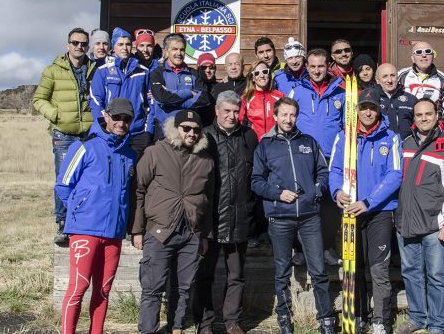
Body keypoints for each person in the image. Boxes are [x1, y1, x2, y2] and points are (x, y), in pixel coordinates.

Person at [251, 97, 335, 334]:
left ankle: (326, 319)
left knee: (318, 271)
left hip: (309, 216)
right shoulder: (265, 146)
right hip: (280, 217)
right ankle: (285, 318)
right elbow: (256, 182)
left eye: (292, 115)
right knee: (282, 272)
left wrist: (315, 192)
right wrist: (278, 194)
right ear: (275, 116)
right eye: (284, 115)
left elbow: (323, 171)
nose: (288, 119)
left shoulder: (308, 142)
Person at [55, 98, 135, 334]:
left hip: (114, 233)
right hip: (85, 231)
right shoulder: (83, 147)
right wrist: (80, 210)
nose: (121, 123)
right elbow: (63, 186)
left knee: (103, 291)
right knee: (78, 287)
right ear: (106, 117)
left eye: (127, 119)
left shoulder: (129, 155)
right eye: (117, 117)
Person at [132, 109, 216, 334]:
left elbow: (209, 200)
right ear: (175, 129)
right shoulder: (155, 152)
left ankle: (176, 328)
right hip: (159, 231)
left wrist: (206, 235)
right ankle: (148, 330)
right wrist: (137, 230)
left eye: (196, 130)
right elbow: (138, 190)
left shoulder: (206, 160)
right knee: (153, 287)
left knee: (184, 287)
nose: (191, 133)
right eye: (186, 128)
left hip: (191, 232)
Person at [328, 87, 402, 334]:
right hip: (350, 211)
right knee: (353, 266)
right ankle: (357, 315)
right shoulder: (344, 137)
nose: (368, 112)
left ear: (379, 109)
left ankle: (381, 319)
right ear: (356, 110)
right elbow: (335, 170)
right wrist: (337, 191)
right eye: (363, 108)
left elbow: (395, 175)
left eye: (372, 108)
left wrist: (369, 201)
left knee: (379, 267)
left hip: (378, 211)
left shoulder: (390, 138)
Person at [395, 99, 444, 334]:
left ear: (437, 115)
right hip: (406, 222)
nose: (424, 118)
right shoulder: (405, 143)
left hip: (435, 225)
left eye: (428, 113)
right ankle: (418, 317)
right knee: (411, 273)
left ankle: (438, 324)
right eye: (419, 114)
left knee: (436, 276)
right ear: (414, 118)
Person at [195, 91, 259, 334]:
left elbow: (255, 174)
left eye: (236, 111)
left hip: (240, 215)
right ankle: (205, 323)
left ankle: (232, 320)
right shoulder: (205, 137)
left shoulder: (249, 136)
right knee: (205, 275)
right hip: (211, 218)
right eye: (227, 111)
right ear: (217, 112)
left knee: (237, 274)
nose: (232, 116)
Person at [33, 27, 97, 247]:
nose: (79, 47)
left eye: (83, 44)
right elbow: (39, 99)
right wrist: (56, 115)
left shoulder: (94, 69)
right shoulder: (53, 70)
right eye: (75, 43)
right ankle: (63, 224)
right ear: (67, 45)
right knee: (64, 179)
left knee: (87, 179)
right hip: (64, 134)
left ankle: (84, 221)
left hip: (88, 134)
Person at [287, 48, 346, 266]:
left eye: (321, 66)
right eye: (312, 66)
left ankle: (328, 248)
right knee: (303, 200)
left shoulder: (340, 92)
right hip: (304, 154)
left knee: (330, 204)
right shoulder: (297, 91)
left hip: (331, 156)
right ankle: (301, 249)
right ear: (306, 67)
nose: (316, 70)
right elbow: (288, 120)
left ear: (327, 66)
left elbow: (346, 125)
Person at [89, 27, 151, 160]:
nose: (125, 48)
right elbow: (95, 101)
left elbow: (151, 104)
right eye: (120, 44)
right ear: (113, 47)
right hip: (112, 132)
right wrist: (105, 127)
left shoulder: (143, 72)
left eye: (128, 44)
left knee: (137, 176)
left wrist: (147, 131)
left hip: (137, 133)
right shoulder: (102, 71)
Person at [148, 33, 209, 140]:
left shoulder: (194, 73)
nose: (179, 53)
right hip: (164, 132)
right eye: (174, 49)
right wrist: (189, 93)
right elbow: (162, 98)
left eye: (182, 49)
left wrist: (170, 96)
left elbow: (204, 99)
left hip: (189, 132)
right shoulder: (157, 73)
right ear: (166, 51)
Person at [397, 41, 444, 128]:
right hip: (406, 130)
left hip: (434, 132)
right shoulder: (401, 75)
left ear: (433, 56)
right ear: (412, 58)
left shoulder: (443, 79)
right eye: (418, 52)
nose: (424, 55)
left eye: (428, 51)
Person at [239, 60, 284, 140]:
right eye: (257, 73)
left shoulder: (279, 96)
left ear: (269, 74)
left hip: (276, 142)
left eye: (264, 71)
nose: (261, 75)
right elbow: (241, 123)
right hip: (254, 144)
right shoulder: (246, 98)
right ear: (252, 78)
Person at [375, 63, 418, 137]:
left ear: (397, 77)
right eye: (385, 76)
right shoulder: (373, 99)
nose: (389, 80)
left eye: (392, 75)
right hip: (380, 146)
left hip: (405, 146)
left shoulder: (411, 100)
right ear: (377, 80)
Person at [195, 53, 218, 127]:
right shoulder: (192, 87)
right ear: (198, 68)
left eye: (211, 67)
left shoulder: (220, 87)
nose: (208, 70)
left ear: (215, 69)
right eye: (204, 67)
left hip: (215, 129)